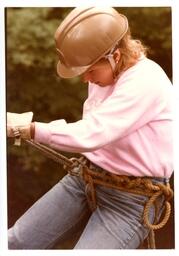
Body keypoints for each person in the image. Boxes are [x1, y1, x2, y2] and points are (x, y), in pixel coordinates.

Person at [7, 7, 174, 249]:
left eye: (90, 71)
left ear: (115, 56)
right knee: (15, 242)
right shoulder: (105, 73)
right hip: (87, 176)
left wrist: (31, 129)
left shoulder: (146, 81)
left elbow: (93, 133)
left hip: (132, 199)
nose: (85, 79)